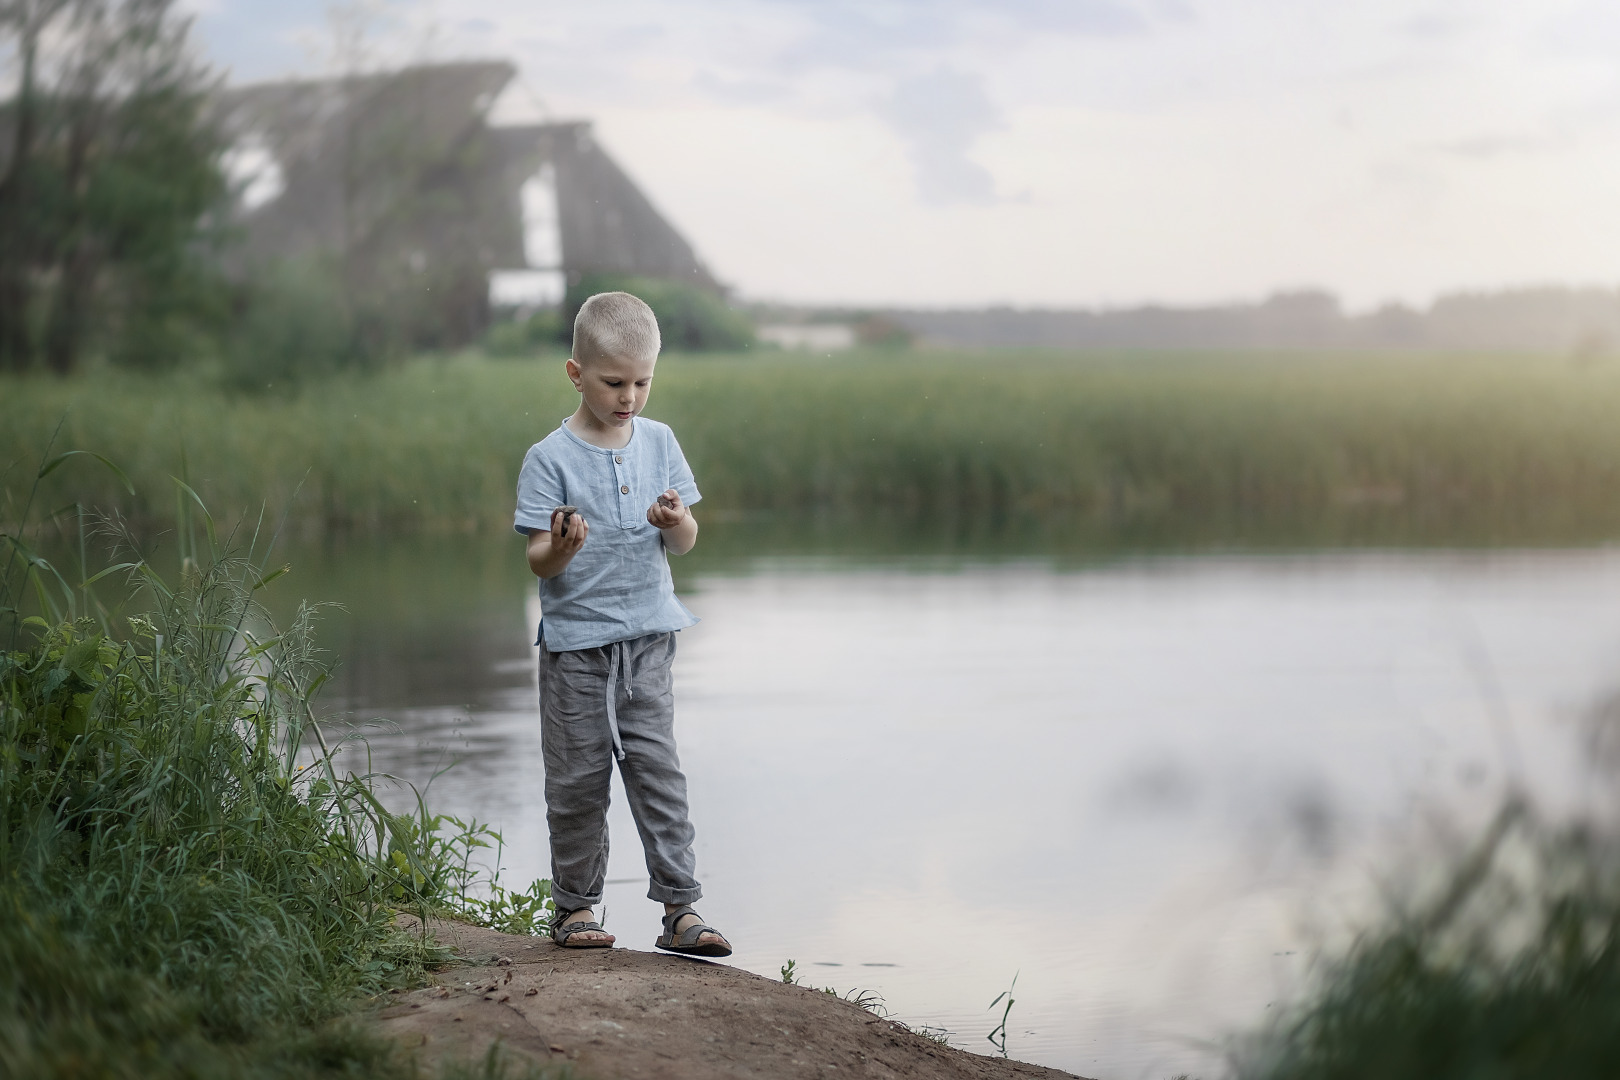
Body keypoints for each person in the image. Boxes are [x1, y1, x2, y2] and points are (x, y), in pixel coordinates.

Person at [513, 291, 731, 957]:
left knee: (658, 773)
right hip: (578, 651)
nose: (628, 395)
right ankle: (576, 909)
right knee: (577, 781)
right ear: (577, 374)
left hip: (648, 644)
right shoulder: (549, 458)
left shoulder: (660, 443)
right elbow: (538, 562)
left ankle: (680, 909)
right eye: (614, 382)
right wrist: (562, 549)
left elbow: (688, 540)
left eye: (642, 381)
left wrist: (676, 522)